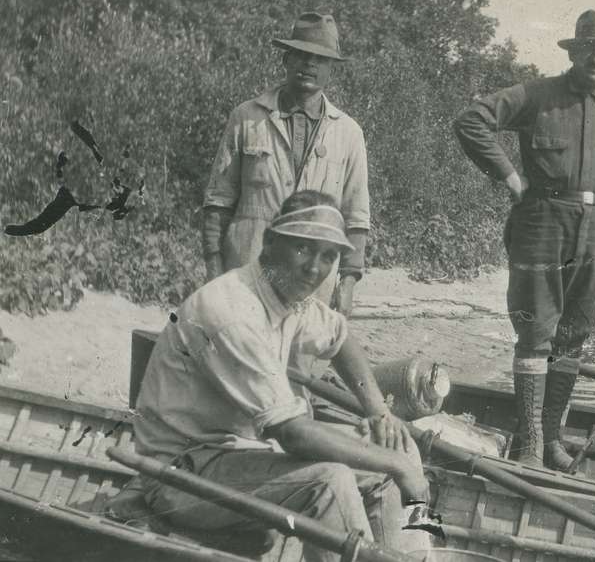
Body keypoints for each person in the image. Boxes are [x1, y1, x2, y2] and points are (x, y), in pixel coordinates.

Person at [134, 191, 431, 560]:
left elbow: (340, 339)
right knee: (331, 481)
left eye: (328, 256)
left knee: (394, 447)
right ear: (270, 243)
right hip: (181, 476)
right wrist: (398, 466)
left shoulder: (287, 294)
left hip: (243, 455)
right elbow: (292, 434)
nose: (314, 269)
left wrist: (378, 412)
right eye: (303, 249)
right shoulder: (232, 313)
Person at [453, 10, 595, 471]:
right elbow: (473, 120)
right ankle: (528, 446)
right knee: (536, 332)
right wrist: (508, 175)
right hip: (542, 223)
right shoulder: (538, 94)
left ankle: (551, 441)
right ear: (573, 52)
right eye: (587, 50)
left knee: (573, 337)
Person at [202, 12, 369, 316]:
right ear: (286, 59)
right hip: (245, 271)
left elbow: (355, 217)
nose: (309, 65)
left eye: (320, 59)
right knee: (239, 357)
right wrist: (214, 265)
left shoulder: (348, 132)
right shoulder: (247, 118)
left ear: (331, 69)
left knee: (299, 361)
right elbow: (218, 201)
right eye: (301, 55)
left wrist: (347, 284)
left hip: (312, 281)